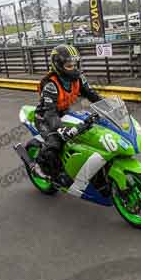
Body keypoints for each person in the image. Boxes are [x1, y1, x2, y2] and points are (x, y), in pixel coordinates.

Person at [31, 44, 102, 188]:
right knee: (56, 142)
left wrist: (108, 106)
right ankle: (40, 166)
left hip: (64, 113)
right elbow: (50, 113)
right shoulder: (51, 85)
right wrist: (61, 129)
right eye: (69, 65)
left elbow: (92, 95)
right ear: (58, 65)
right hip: (44, 117)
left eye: (75, 64)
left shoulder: (78, 78)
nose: (74, 68)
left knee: (88, 133)